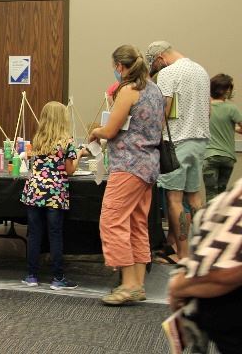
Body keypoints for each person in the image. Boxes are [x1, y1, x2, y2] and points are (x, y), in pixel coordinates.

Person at [90, 44, 164, 305]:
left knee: (112, 220)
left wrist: (95, 131)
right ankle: (138, 285)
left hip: (128, 165)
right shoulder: (154, 90)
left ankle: (128, 285)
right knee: (136, 223)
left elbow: (110, 130)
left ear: (120, 67)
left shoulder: (129, 91)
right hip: (149, 165)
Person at [145, 41, 211, 261]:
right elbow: (208, 109)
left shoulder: (168, 73)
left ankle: (183, 256)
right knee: (194, 198)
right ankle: (197, 249)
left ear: (160, 58)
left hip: (177, 143)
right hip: (199, 140)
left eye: (155, 65)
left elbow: (164, 109)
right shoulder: (201, 70)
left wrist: (152, 135)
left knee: (174, 199)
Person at [168, 178, 242, 354]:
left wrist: (179, 286)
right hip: (213, 283)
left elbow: (227, 272)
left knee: (175, 199)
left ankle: (181, 253)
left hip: (222, 292)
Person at [20, 101, 83, 290]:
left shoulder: (38, 139)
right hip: (55, 193)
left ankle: (31, 275)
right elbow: (69, 170)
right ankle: (57, 278)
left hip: (34, 191)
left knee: (34, 234)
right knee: (55, 234)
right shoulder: (67, 142)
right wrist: (79, 154)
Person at [203, 74, 241, 202]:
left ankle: (210, 214)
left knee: (211, 194)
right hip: (227, 157)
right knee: (222, 193)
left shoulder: (205, 108)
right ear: (226, 90)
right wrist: (232, 128)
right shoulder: (231, 108)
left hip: (210, 156)